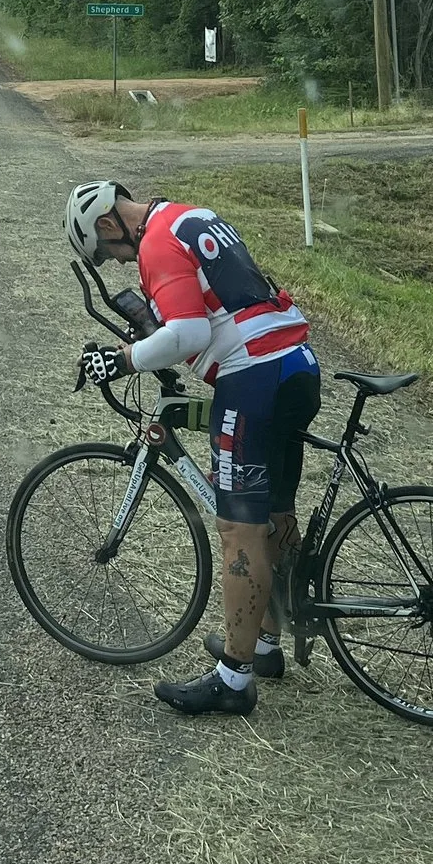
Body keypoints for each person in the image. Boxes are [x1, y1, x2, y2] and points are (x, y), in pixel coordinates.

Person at [64, 179, 321, 716]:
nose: (119, 262)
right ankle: (265, 642)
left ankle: (233, 679)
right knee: (274, 512)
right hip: (296, 363)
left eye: (107, 252)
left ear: (108, 224)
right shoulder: (189, 216)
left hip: (253, 376)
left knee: (239, 529)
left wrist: (123, 360)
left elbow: (188, 334)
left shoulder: (155, 242)